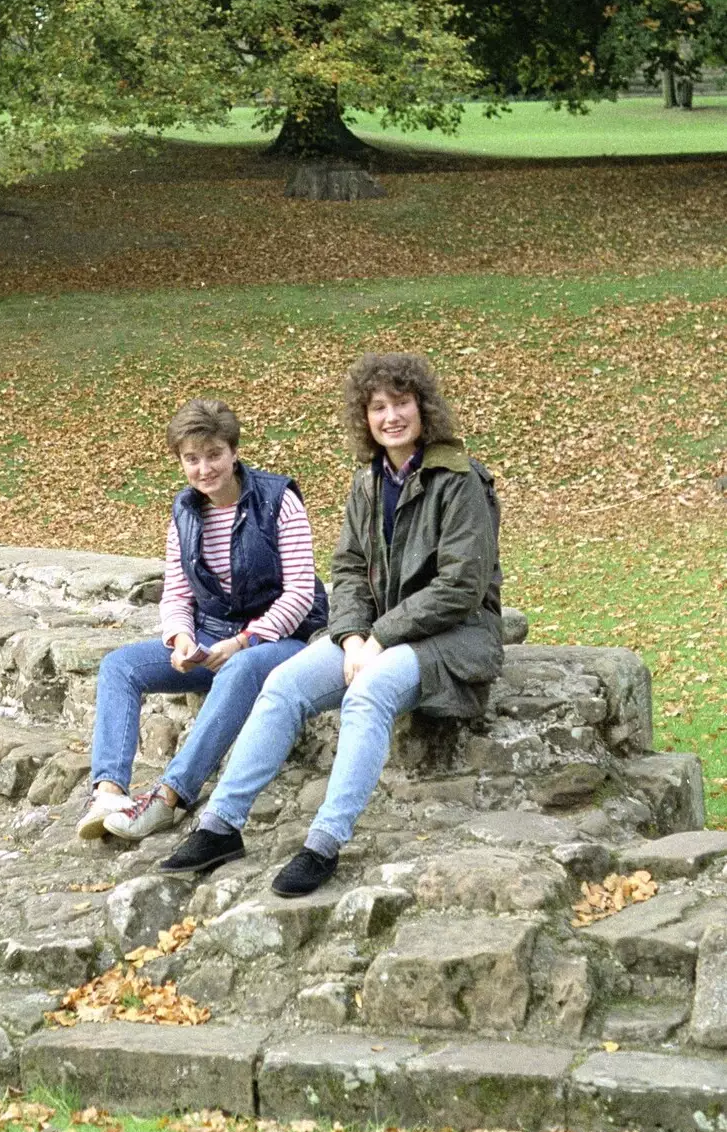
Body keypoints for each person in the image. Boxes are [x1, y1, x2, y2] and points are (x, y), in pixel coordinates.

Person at [162, 352, 502, 895]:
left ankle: (324, 841)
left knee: (369, 692)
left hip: (451, 637)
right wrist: (348, 635)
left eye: (401, 404)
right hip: (372, 634)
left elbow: (460, 587)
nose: (391, 417)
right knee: (283, 684)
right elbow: (346, 570)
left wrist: (380, 638)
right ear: (364, 418)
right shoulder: (368, 482)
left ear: (423, 408)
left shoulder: (460, 481)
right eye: (378, 407)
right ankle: (221, 825)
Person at [78, 396, 329, 843]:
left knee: (240, 666)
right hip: (211, 637)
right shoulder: (185, 511)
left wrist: (246, 641)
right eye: (192, 459)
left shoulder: (278, 499)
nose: (204, 469)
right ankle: (109, 793)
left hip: (280, 638)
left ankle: (170, 798)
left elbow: (300, 594)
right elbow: (176, 591)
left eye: (214, 455)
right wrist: (180, 638)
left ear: (234, 452)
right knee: (120, 666)